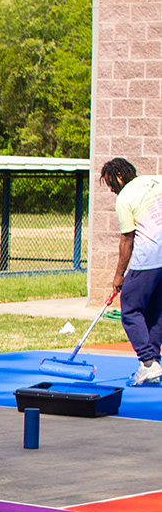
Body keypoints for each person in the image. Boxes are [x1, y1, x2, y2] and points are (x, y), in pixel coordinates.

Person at [101, 156, 162, 385]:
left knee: (130, 308)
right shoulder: (157, 181)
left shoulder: (125, 197)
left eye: (110, 184)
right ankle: (152, 364)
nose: (111, 189)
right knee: (156, 311)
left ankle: (148, 362)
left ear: (119, 176)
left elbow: (127, 239)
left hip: (149, 258)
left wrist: (119, 275)